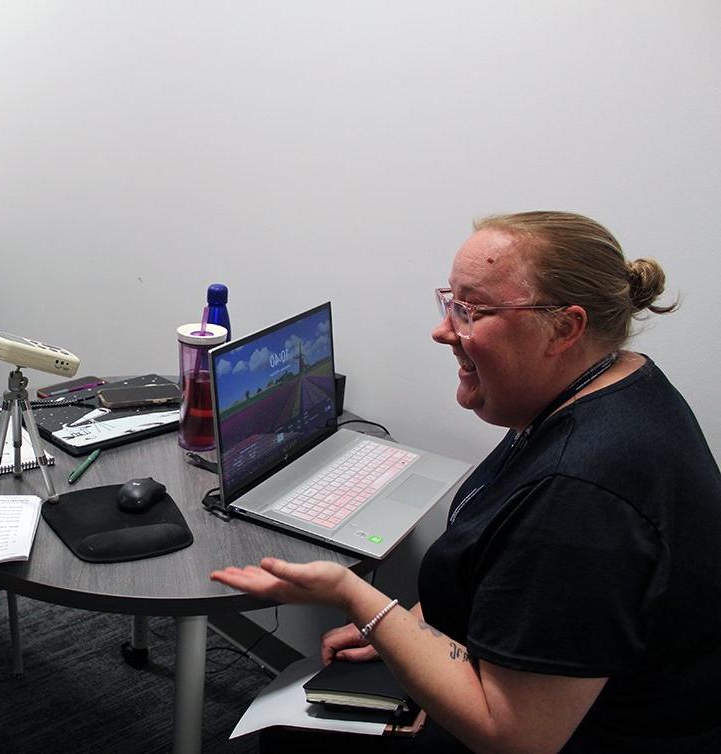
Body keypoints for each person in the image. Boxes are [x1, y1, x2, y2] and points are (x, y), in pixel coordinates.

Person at [213, 211, 721, 753]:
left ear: (565, 328)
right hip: (553, 686)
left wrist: (357, 600)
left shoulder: (581, 497)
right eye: (449, 301)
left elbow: (515, 739)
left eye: (471, 309)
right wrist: (402, 629)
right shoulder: (613, 380)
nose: (442, 329)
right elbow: (502, 567)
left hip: (572, 732)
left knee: (289, 739)